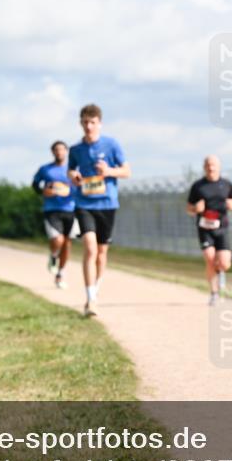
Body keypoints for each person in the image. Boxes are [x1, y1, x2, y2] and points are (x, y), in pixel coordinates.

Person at [68, 104, 130, 317]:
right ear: (80, 123)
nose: (88, 126)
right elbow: (71, 170)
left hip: (107, 204)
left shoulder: (112, 145)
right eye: (85, 122)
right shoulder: (76, 150)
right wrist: (73, 177)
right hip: (84, 203)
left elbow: (127, 171)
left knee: (102, 253)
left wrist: (109, 171)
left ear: (99, 124)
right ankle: (90, 299)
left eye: (92, 122)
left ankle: (96, 287)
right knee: (90, 249)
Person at [186, 155, 232, 305]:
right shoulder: (197, 186)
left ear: (219, 166)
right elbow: (188, 208)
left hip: (221, 228)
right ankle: (214, 293)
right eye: (208, 164)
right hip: (204, 228)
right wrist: (195, 208)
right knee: (210, 258)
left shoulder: (227, 185)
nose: (211, 167)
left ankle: (220, 271)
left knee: (225, 264)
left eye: (214, 164)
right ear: (204, 167)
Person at [32, 141, 77, 289]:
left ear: (66, 151)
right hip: (52, 209)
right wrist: (43, 191)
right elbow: (35, 185)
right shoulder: (45, 169)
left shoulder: (73, 169)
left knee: (67, 243)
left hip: (71, 209)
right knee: (58, 240)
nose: (59, 152)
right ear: (53, 152)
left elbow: (81, 184)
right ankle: (53, 256)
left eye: (62, 150)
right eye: (56, 150)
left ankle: (61, 274)